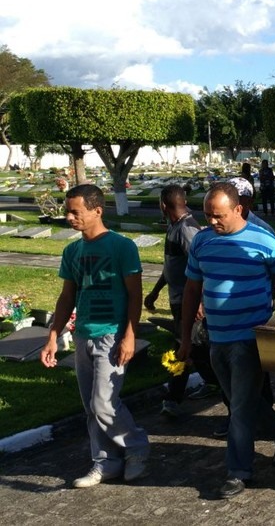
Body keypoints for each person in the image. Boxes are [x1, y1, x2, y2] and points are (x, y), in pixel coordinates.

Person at [178, 182, 275, 499]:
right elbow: (192, 289)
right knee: (241, 401)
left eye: (218, 216)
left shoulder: (261, 239)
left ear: (238, 209)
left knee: (240, 410)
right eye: (207, 215)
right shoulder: (202, 242)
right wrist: (185, 339)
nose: (212, 222)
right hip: (216, 338)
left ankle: (238, 472)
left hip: (250, 339)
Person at [39, 184, 150, 489]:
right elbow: (67, 297)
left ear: (97, 211)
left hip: (111, 335)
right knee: (91, 406)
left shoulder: (121, 247)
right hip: (83, 334)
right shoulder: (72, 250)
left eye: (75, 211)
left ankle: (137, 446)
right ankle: (105, 462)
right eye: (67, 211)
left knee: (103, 402)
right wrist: (53, 336)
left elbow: (134, 294)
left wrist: (130, 335)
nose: (69, 217)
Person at [144, 185, 210, 418]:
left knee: (182, 347)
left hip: (189, 301)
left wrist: (200, 301)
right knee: (198, 348)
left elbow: (202, 266)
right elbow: (171, 266)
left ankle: (172, 399)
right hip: (177, 299)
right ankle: (214, 383)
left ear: (163, 205)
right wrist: (155, 291)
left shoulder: (187, 230)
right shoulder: (175, 225)